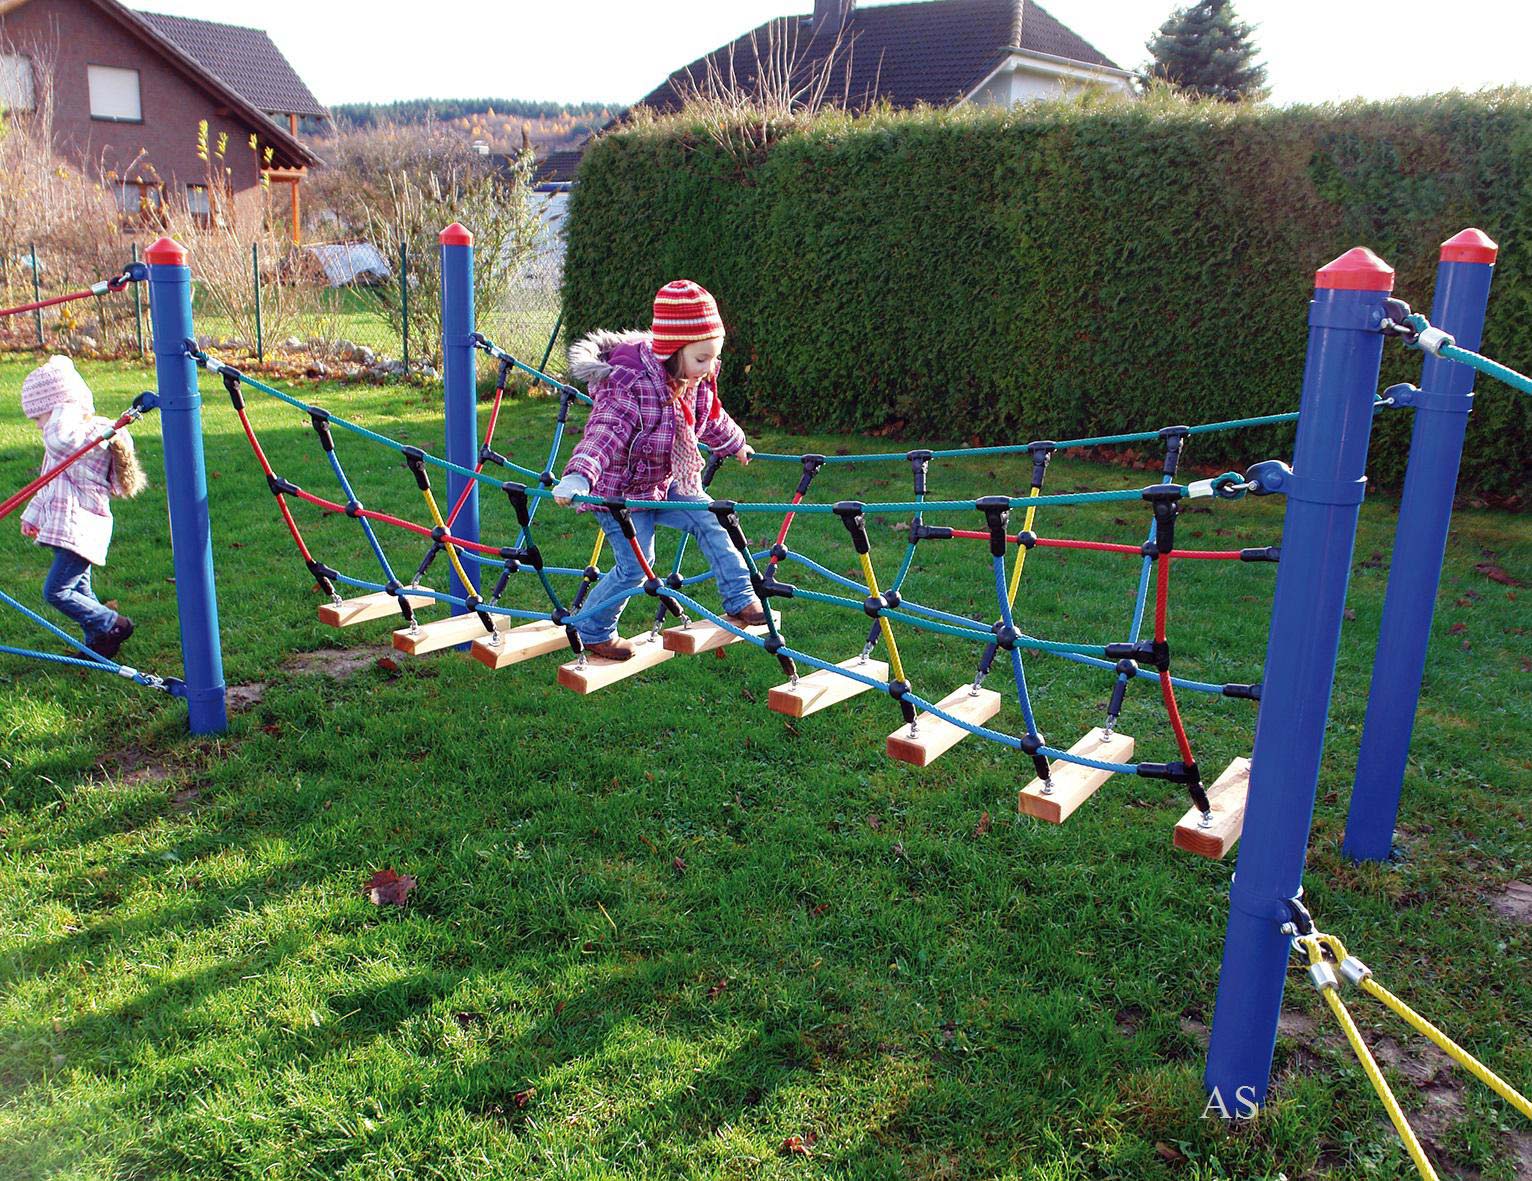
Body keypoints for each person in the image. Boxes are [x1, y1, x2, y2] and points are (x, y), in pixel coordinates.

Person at [550, 280, 766, 661]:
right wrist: (579, 475)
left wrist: (735, 442)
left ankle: (741, 597)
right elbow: (605, 431)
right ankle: (593, 629)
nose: (708, 368)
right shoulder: (631, 382)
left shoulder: (695, 378)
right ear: (672, 350)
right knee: (637, 565)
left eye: (713, 358)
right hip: (621, 493)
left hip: (667, 481)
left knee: (712, 518)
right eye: (701, 358)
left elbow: (710, 416)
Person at [18, 356, 144, 658]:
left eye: (39, 418)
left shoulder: (89, 435)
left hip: (83, 527)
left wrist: (65, 406)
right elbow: (47, 482)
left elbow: (60, 441)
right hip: (67, 528)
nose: (38, 427)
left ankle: (113, 623)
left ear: (60, 409)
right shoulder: (67, 441)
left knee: (56, 591)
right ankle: (98, 644)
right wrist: (32, 515)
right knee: (81, 591)